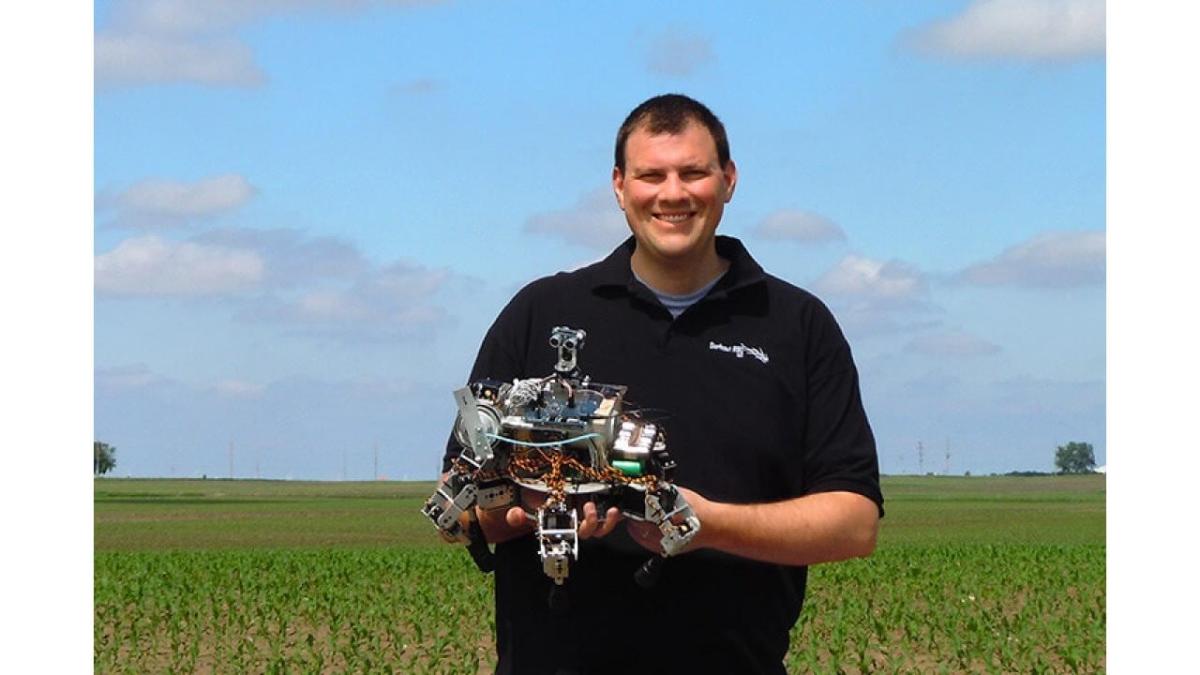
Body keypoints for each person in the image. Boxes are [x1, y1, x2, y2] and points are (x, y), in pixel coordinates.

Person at [441, 93, 883, 675]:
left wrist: (702, 523)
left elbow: (853, 522)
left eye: (693, 173)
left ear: (728, 180)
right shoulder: (539, 312)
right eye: (651, 175)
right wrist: (523, 509)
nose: (672, 193)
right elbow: (459, 498)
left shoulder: (797, 326)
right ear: (620, 186)